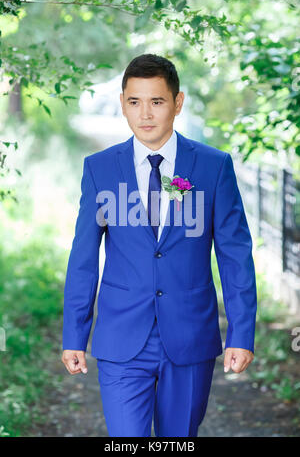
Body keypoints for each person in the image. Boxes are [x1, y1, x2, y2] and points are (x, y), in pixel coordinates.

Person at [61, 53, 257, 437]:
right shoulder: (99, 168)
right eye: (134, 102)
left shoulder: (213, 167)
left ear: (177, 103)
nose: (145, 114)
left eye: (157, 101)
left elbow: (235, 255)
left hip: (190, 337)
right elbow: (83, 258)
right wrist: (74, 335)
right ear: (122, 104)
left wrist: (241, 333)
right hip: (121, 338)